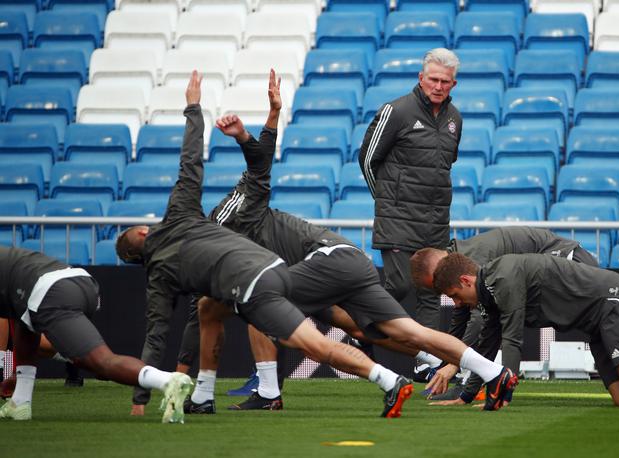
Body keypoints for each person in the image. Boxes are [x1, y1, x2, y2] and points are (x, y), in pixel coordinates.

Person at [186, 69, 516, 414]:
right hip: (346, 259)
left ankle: (278, 390)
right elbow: (260, 161)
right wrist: (267, 117)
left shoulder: (222, 225)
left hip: (325, 260)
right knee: (396, 330)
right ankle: (492, 372)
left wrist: (255, 120)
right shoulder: (232, 223)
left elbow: (259, 161)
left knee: (257, 302)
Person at [115, 71, 417, 419]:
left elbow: (157, 336)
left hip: (259, 282)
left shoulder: (162, 275)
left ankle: (388, 379)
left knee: (314, 343)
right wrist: (193, 108)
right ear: (140, 235)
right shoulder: (183, 213)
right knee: (210, 309)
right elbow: (190, 160)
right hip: (275, 268)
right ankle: (203, 395)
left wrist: (141, 398)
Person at [411, 227, 619, 403]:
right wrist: (466, 393)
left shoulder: (491, 273)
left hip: (593, 285)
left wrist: (491, 382)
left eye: (453, 295)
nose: (455, 304)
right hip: (593, 316)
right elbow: (485, 339)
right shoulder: (477, 278)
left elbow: (509, 337)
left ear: (462, 279)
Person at [0, 246, 193, 422]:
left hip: (50, 292)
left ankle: (167, 381)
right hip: (79, 281)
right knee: (27, 324)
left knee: (102, 362)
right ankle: (20, 402)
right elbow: (24, 322)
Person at [358, 48, 462, 350]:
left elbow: (445, 165)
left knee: (431, 290)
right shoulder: (397, 110)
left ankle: (426, 362)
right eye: (433, 79)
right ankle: (360, 328)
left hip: (435, 223)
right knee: (400, 286)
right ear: (421, 78)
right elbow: (366, 160)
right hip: (398, 221)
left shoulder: (455, 119)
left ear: (453, 84)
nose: (439, 86)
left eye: (445, 81)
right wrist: (388, 202)